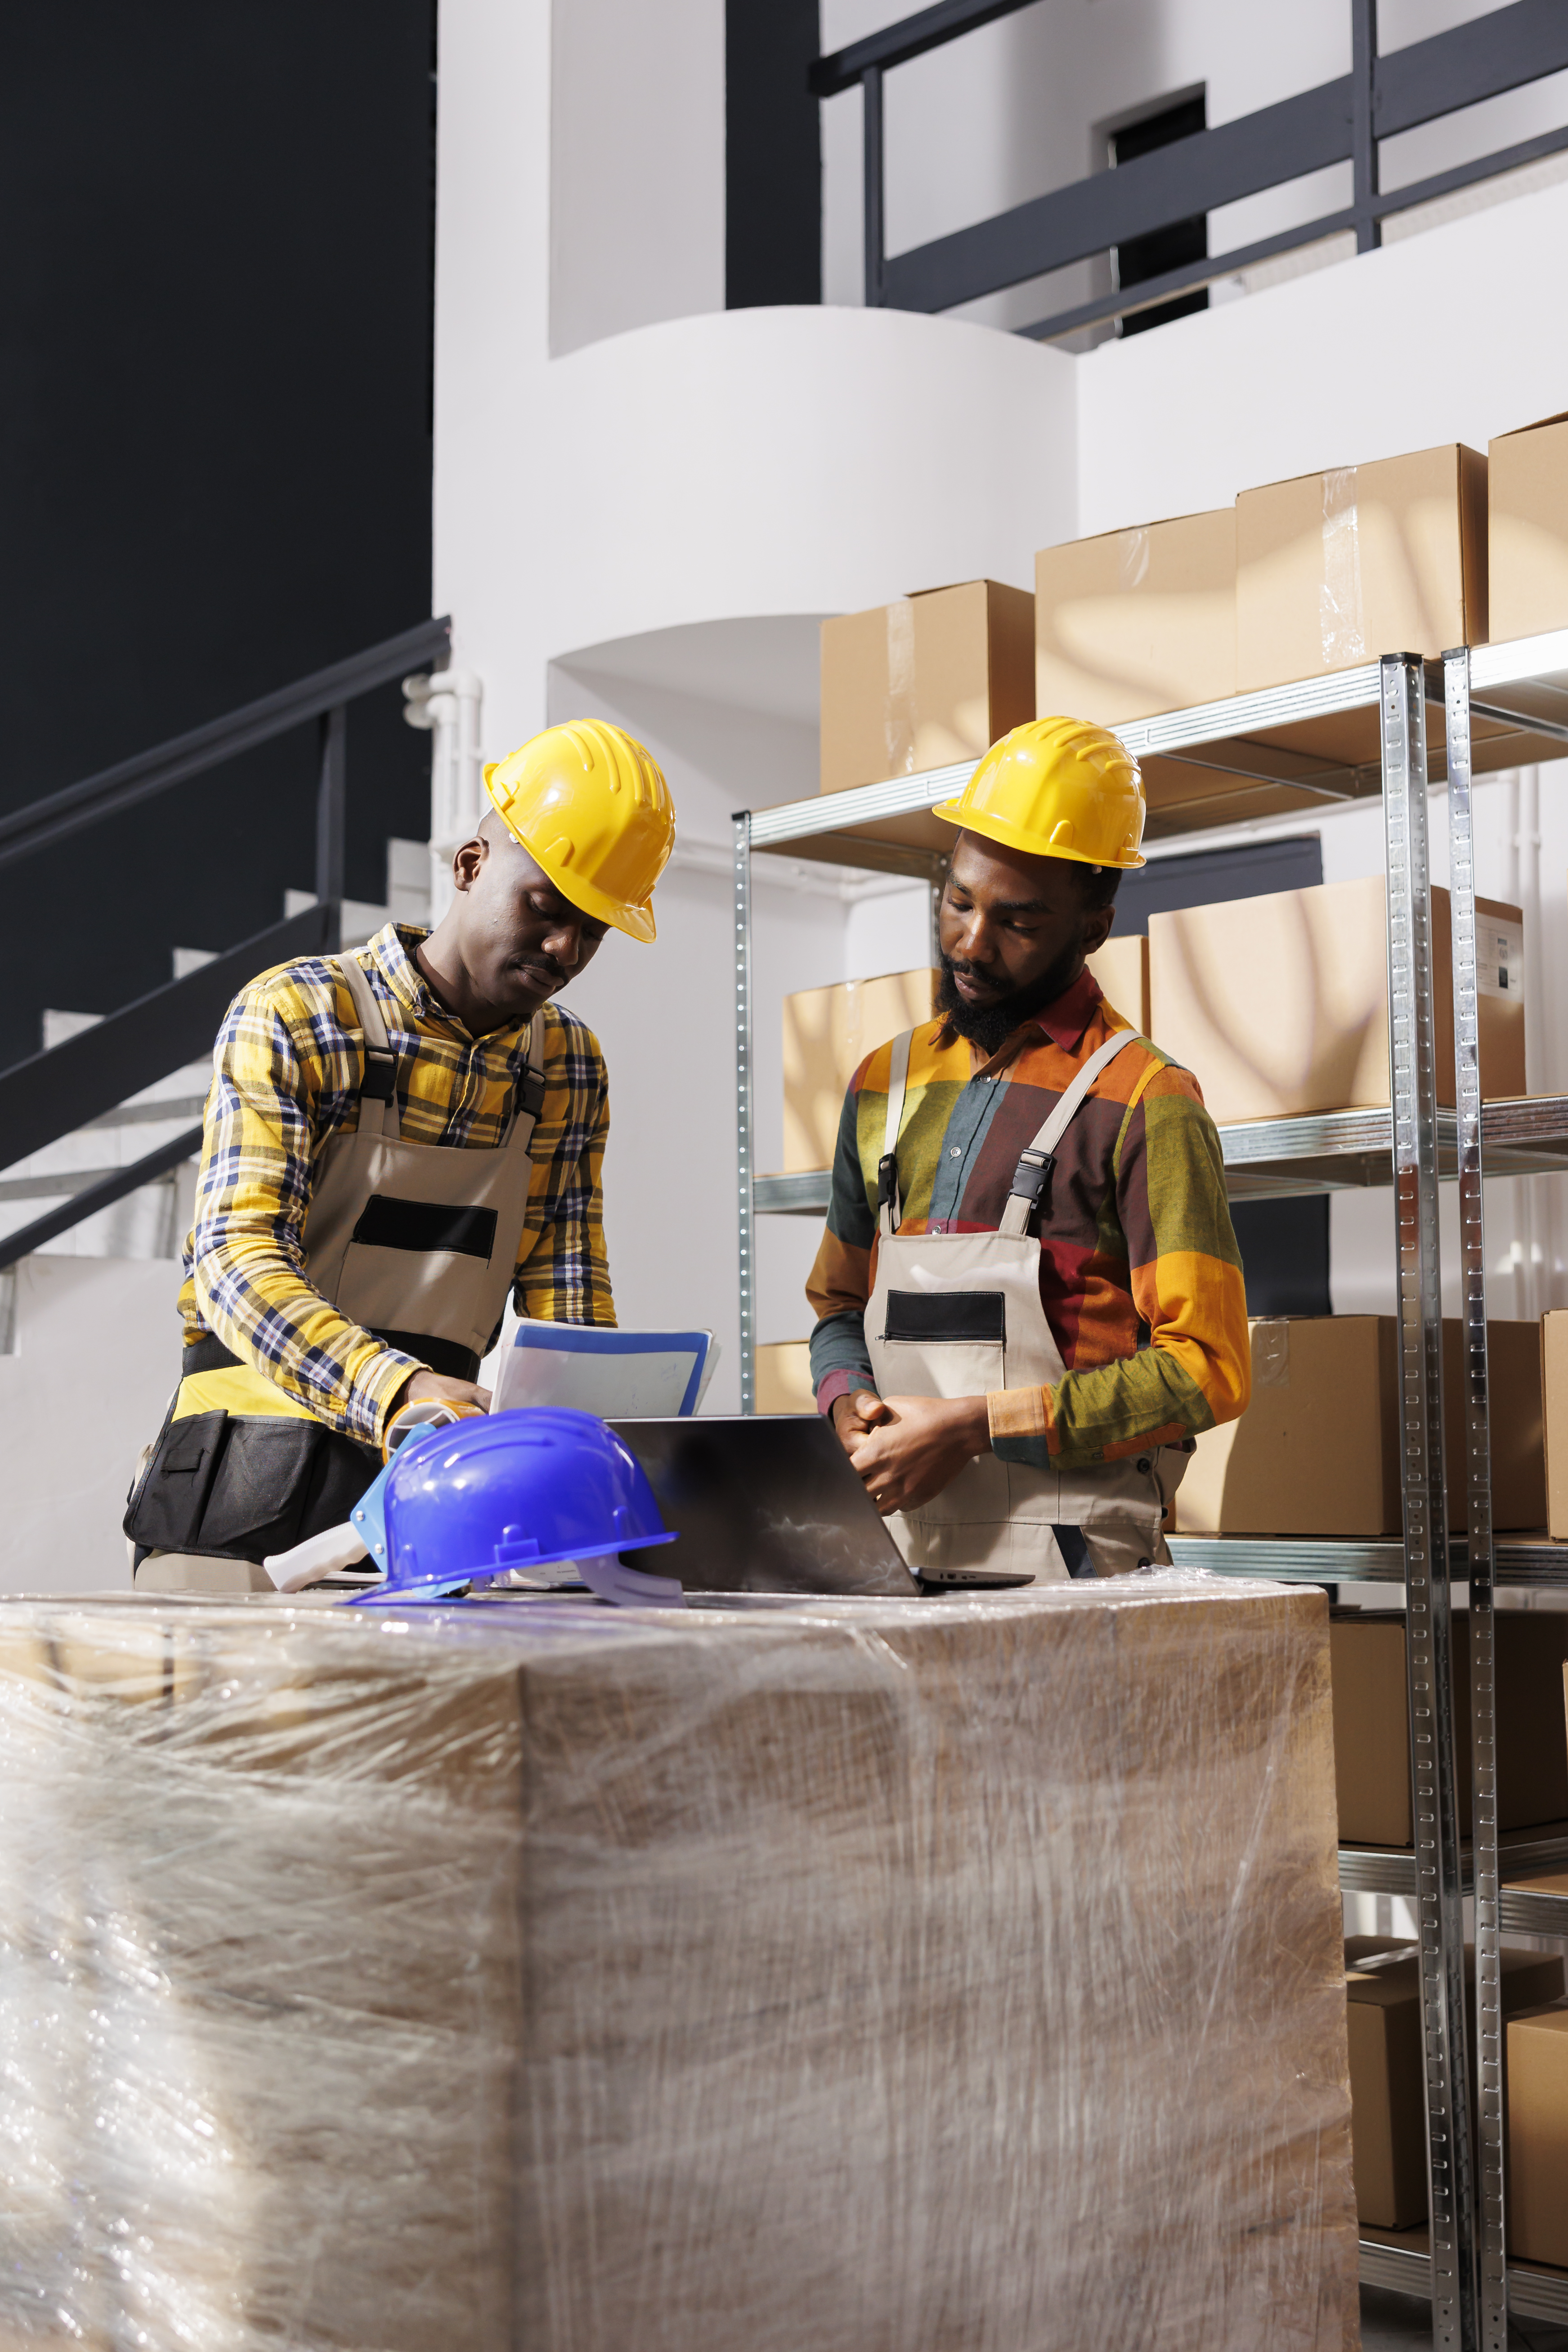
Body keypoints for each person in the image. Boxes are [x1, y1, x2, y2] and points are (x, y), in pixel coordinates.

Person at [125, 718, 674, 1591]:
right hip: (242, 1501)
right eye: (547, 906)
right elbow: (235, 1262)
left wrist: (599, 1451)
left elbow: (568, 1303)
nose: (566, 948)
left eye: (594, 929)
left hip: (435, 1514)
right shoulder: (301, 1014)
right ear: (469, 866)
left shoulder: (568, 1067)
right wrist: (401, 1390)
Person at [806, 716, 1250, 1583]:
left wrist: (975, 1425)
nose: (971, 944)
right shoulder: (880, 1083)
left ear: (1093, 926)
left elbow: (1209, 1370)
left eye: (1019, 922)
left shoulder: (1145, 1100)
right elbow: (835, 1305)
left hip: (1078, 1569)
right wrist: (845, 1399)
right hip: (895, 1554)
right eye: (959, 902)